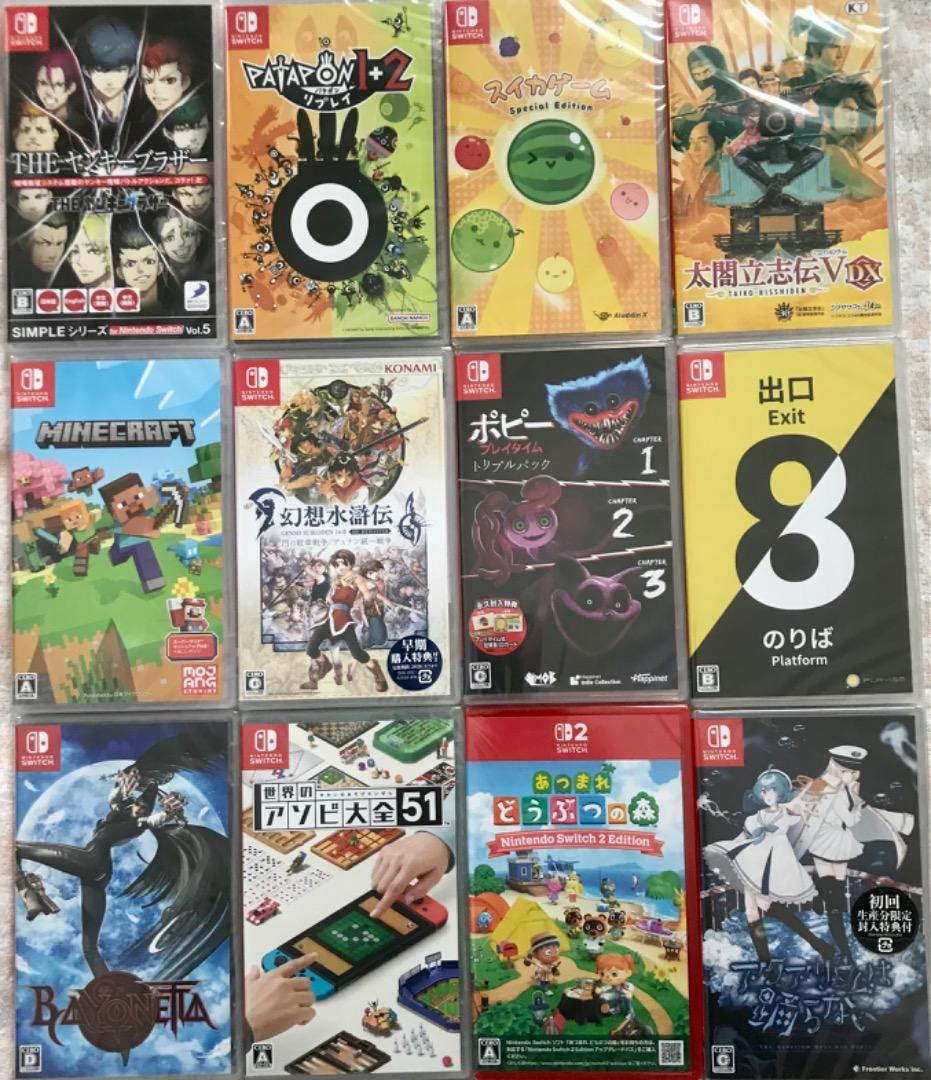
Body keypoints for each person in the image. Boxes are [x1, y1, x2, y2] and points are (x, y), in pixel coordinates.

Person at [703, 767, 832, 962]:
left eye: (773, 790)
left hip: (772, 865)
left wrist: (800, 802)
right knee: (753, 909)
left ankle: (817, 944)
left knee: (762, 904)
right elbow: (743, 838)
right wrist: (725, 851)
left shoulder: (785, 812)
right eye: (764, 791)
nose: (768, 795)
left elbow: (794, 808)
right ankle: (767, 959)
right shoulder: (753, 818)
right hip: (752, 863)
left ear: (781, 792)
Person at [301, 549, 388, 692]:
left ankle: (377, 672)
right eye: (337, 564)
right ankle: (325, 664)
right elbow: (329, 599)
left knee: (357, 654)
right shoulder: (335, 580)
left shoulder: (356, 578)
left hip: (345, 621)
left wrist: (366, 599)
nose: (340, 567)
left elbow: (367, 594)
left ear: (350, 563)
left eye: (343, 563)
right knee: (311, 649)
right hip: (330, 618)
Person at [74, 15, 139, 147]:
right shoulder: (77, 114)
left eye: (119, 70)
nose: (110, 81)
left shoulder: (140, 111)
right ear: (86, 70)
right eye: (101, 70)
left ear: (131, 70)